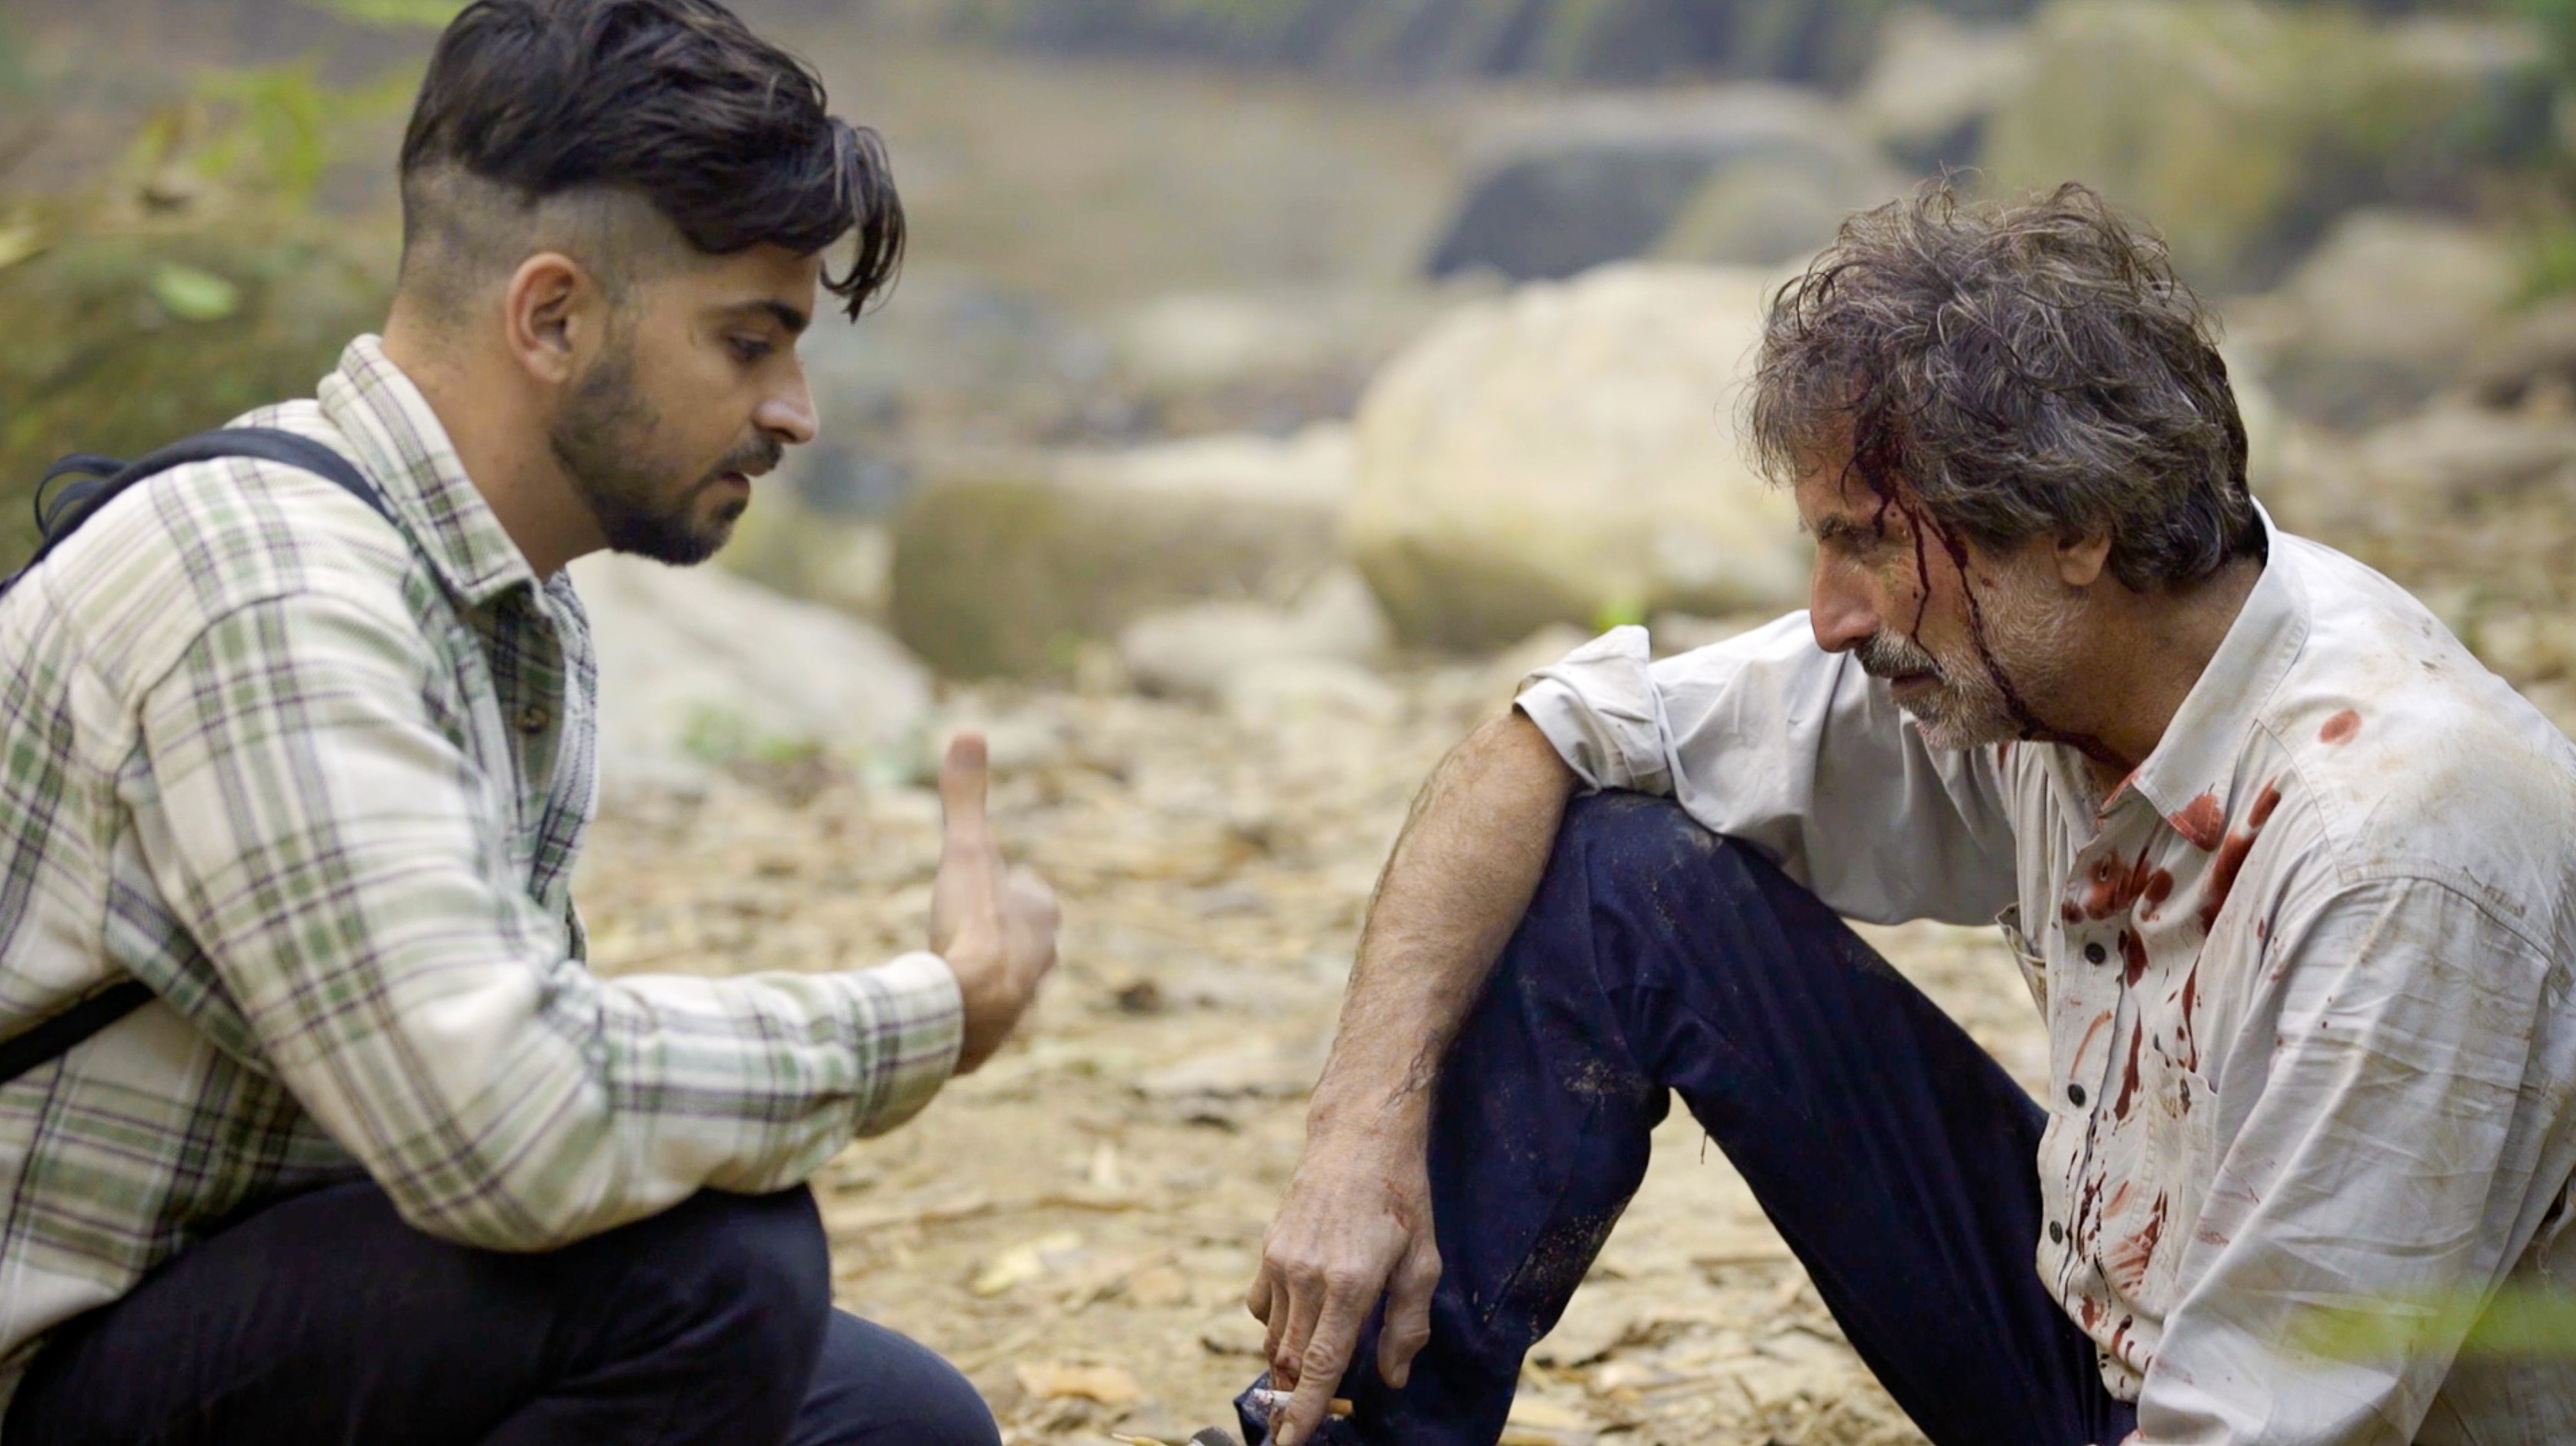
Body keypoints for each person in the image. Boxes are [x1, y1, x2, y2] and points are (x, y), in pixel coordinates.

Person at [1237, 183, 2576, 1446]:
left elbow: (2281, 1414)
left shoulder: (2391, 850)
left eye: (1871, 539)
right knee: (1618, 870)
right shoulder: (2039, 657)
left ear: (2080, 526)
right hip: (2110, 1339)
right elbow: (1548, 737)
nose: (1831, 615)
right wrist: (1357, 1141)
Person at [0, 2, 1059, 1442]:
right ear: (551, 317)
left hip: (250, 1297)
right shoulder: (272, 595)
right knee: (716, 1273)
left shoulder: (510, 597)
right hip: (56, 1365)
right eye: (749, 344)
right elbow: (509, 1129)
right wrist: (926, 1013)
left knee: (894, 1423)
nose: (795, 413)